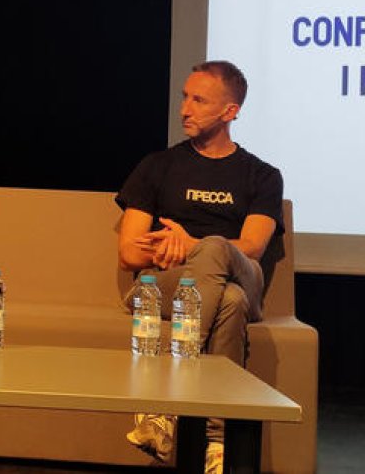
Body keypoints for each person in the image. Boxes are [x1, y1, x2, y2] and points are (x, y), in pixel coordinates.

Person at [116, 61, 284, 474]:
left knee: (215, 251)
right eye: (184, 98)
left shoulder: (262, 175)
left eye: (198, 100)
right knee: (228, 300)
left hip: (240, 270)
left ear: (230, 111)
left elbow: (252, 247)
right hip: (166, 284)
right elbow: (130, 253)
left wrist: (192, 246)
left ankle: (165, 408)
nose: (184, 109)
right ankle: (216, 439)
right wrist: (182, 254)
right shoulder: (157, 166)